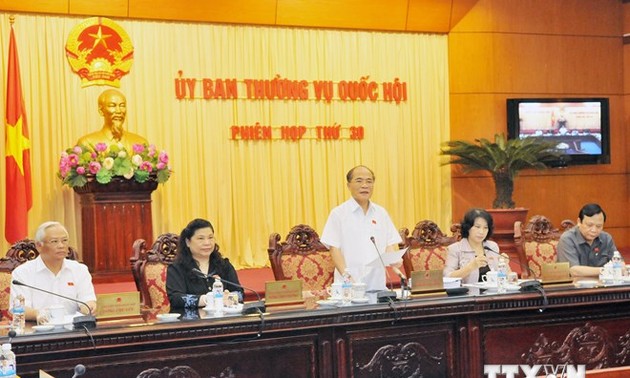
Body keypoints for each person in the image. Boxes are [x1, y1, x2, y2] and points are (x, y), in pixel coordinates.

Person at [321, 165, 403, 292]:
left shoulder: (381, 213)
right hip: (348, 286)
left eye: (369, 181)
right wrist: (347, 278)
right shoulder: (338, 214)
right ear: (349, 185)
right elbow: (334, 249)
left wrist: (394, 259)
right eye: (359, 181)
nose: (365, 185)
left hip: (377, 285)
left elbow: (388, 244)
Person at [10, 222, 97, 321]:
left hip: (73, 330)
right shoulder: (22, 273)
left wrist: (89, 307)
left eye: (64, 241)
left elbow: (87, 299)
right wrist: (37, 314)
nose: (61, 246)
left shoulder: (79, 270)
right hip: (37, 330)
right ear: (39, 246)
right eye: (54, 241)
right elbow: (18, 309)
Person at [166, 218, 243, 308]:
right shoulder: (177, 268)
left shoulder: (224, 265)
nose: (207, 243)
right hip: (192, 320)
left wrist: (229, 298)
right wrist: (206, 300)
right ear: (188, 242)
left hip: (222, 319)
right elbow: (176, 299)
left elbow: (240, 293)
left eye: (210, 237)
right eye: (200, 238)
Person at [76, 89, 148, 152]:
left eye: (122, 105)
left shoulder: (140, 143)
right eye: (112, 105)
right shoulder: (87, 144)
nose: (119, 111)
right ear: (101, 110)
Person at [443, 208, 503, 284]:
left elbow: (503, 277)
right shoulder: (455, 249)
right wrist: (471, 267)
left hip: (493, 294)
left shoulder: (492, 247)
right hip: (467, 294)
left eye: (485, 228)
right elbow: (447, 277)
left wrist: (505, 264)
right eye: (477, 227)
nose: (481, 232)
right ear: (468, 227)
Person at [557, 203, 617, 277]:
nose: (594, 230)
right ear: (579, 222)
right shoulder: (567, 239)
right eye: (589, 225)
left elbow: (618, 263)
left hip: (602, 285)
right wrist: (605, 270)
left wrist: (620, 267)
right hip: (574, 286)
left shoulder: (606, 238)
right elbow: (574, 270)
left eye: (599, 226)